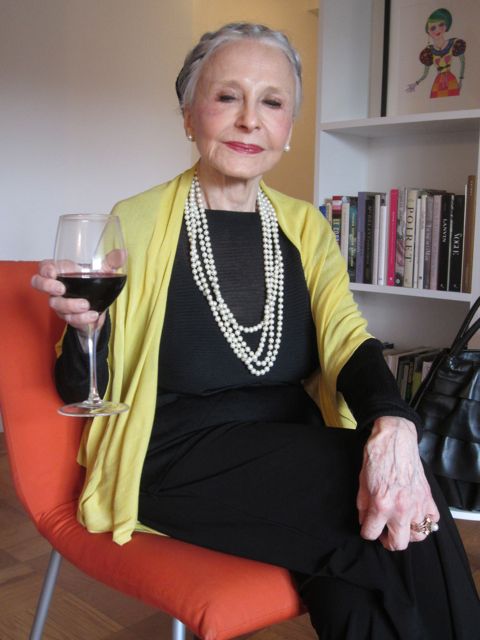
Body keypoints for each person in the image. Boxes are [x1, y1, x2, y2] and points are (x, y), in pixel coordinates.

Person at [32, 22, 479, 640]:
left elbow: (347, 338)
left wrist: (393, 421)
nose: (250, 120)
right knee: (385, 505)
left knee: (366, 564)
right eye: (227, 97)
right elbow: (79, 388)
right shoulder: (136, 220)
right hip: (177, 458)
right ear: (189, 115)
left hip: (293, 449)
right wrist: (92, 329)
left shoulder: (305, 226)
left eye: (272, 102)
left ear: (289, 128)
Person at [406, 8, 466, 98]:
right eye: (433, 28)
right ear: (428, 32)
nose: (438, 29)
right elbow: (425, 74)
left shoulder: (454, 43)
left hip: (451, 81)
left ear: (446, 26)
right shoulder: (428, 51)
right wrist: (415, 84)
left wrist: (461, 80)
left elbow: (462, 62)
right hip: (438, 83)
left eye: (441, 25)